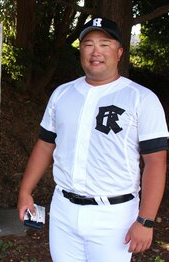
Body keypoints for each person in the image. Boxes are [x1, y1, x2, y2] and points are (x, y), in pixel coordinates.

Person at [17, 17, 168, 262]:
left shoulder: (141, 98)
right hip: (64, 210)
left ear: (119, 52)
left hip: (114, 216)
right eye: (88, 44)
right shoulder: (62, 94)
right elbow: (45, 145)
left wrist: (146, 220)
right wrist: (25, 191)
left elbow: (155, 162)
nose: (95, 51)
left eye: (104, 44)